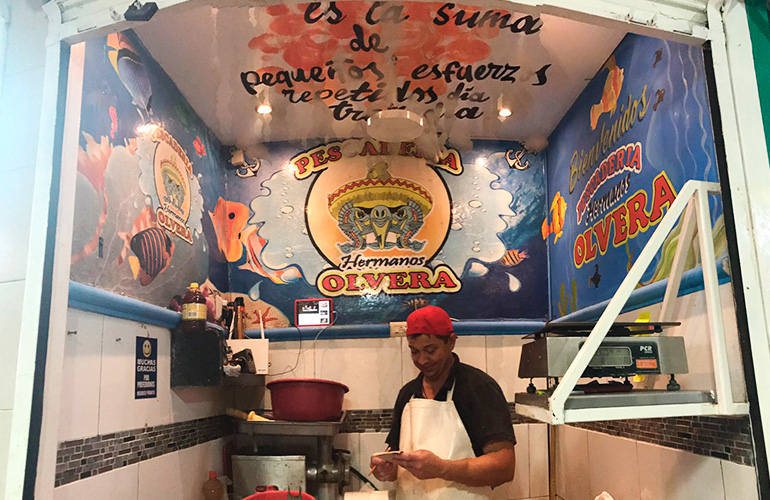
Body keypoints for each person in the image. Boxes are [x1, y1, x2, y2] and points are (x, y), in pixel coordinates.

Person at [370, 305, 516, 499]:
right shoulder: (408, 394)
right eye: (414, 352)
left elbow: (504, 468)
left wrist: (441, 468)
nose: (422, 360)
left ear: (451, 342)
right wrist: (387, 469)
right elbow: (397, 459)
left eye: (430, 350)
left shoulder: (479, 389)